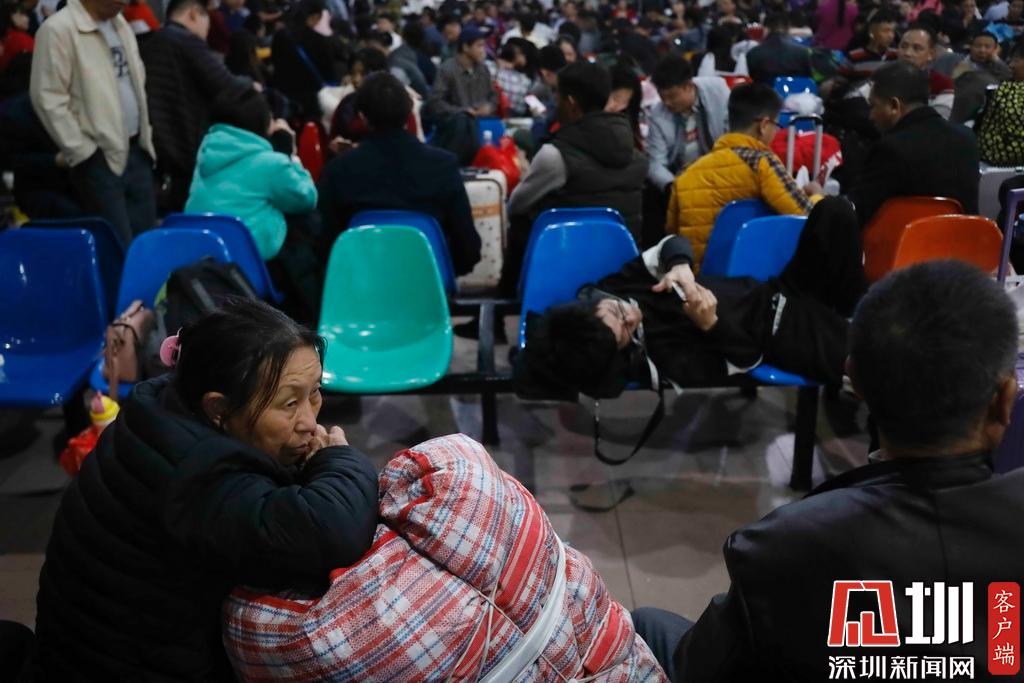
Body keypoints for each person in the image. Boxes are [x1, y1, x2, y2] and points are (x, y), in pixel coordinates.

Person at [631, 258, 1023, 682]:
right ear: (1007, 399)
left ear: (854, 378)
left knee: (646, 625)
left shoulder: (779, 545)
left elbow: (701, 669)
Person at [27, 297, 379, 680]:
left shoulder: (163, 404)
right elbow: (334, 530)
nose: (309, 422)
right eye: (289, 403)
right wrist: (336, 458)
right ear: (219, 408)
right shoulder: (198, 471)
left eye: (314, 392)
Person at [518, 196, 864, 396]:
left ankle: (845, 312)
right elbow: (748, 363)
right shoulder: (664, 359)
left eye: (617, 310)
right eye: (626, 328)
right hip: (778, 332)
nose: (631, 315)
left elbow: (669, 244)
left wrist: (679, 266)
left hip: (776, 289)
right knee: (868, 357)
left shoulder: (617, 288)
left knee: (835, 211)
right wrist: (712, 325)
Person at [503, 60, 647, 293]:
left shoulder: (556, 155)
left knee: (522, 220)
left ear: (571, 103)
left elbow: (515, 205)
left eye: (557, 96)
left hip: (562, 265)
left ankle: (508, 298)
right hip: (621, 267)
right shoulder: (636, 155)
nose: (554, 102)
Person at [317, 73, 481, 276]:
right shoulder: (443, 166)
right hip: (427, 283)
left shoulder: (338, 171)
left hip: (360, 284)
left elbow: (325, 247)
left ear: (363, 117)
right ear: (409, 113)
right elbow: (468, 249)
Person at [30, 0, 157, 246]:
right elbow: (48, 97)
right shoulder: (58, 29)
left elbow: (136, 82)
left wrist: (146, 136)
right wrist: (83, 151)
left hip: (137, 149)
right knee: (117, 248)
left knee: (147, 246)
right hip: (99, 159)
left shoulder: (120, 24)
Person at [666, 83, 817, 269]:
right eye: (776, 126)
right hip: (751, 278)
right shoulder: (760, 162)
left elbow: (672, 237)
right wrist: (817, 195)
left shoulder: (686, 172)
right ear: (764, 125)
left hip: (697, 281)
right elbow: (808, 215)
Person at [140, 0, 255, 213]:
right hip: (185, 141)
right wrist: (252, 84)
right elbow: (226, 84)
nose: (206, 34)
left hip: (158, 143)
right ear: (193, 13)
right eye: (207, 26)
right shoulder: (185, 40)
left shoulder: (153, 40)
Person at [186, 89, 317, 261]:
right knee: (309, 221)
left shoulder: (205, 153)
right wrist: (291, 156)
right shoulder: (271, 163)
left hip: (197, 258)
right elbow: (307, 198)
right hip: (250, 263)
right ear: (262, 122)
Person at [846, 61, 979, 226]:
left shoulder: (891, 149)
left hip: (903, 241)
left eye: (873, 106)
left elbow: (856, 211)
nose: (870, 116)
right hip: (965, 240)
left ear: (894, 106)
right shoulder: (967, 138)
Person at [646, 54, 730, 194]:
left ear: (689, 86)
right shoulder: (658, 113)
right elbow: (656, 162)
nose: (667, 103)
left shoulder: (718, 91)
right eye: (662, 97)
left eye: (672, 96)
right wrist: (674, 187)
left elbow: (732, 137)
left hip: (720, 170)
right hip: (680, 178)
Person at [897, 24, 955, 116]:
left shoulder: (943, 85)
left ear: (931, 54)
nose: (907, 53)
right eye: (903, 46)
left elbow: (937, 120)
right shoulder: (883, 77)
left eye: (917, 48)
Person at [745, 13, 811, 86]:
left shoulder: (754, 53)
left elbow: (749, 80)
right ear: (788, 28)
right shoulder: (803, 52)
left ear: (766, 29)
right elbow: (808, 79)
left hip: (764, 92)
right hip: (797, 91)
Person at [844, 9, 898, 74]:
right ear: (871, 33)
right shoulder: (853, 57)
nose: (891, 35)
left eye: (893, 31)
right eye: (885, 31)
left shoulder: (896, 56)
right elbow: (841, 78)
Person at [495, 41, 532, 115]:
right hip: (499, 113)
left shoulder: (525, 79)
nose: (524, 56)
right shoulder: (497, 72)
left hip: (517, 116)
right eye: (521, 54)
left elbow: (531, 99)